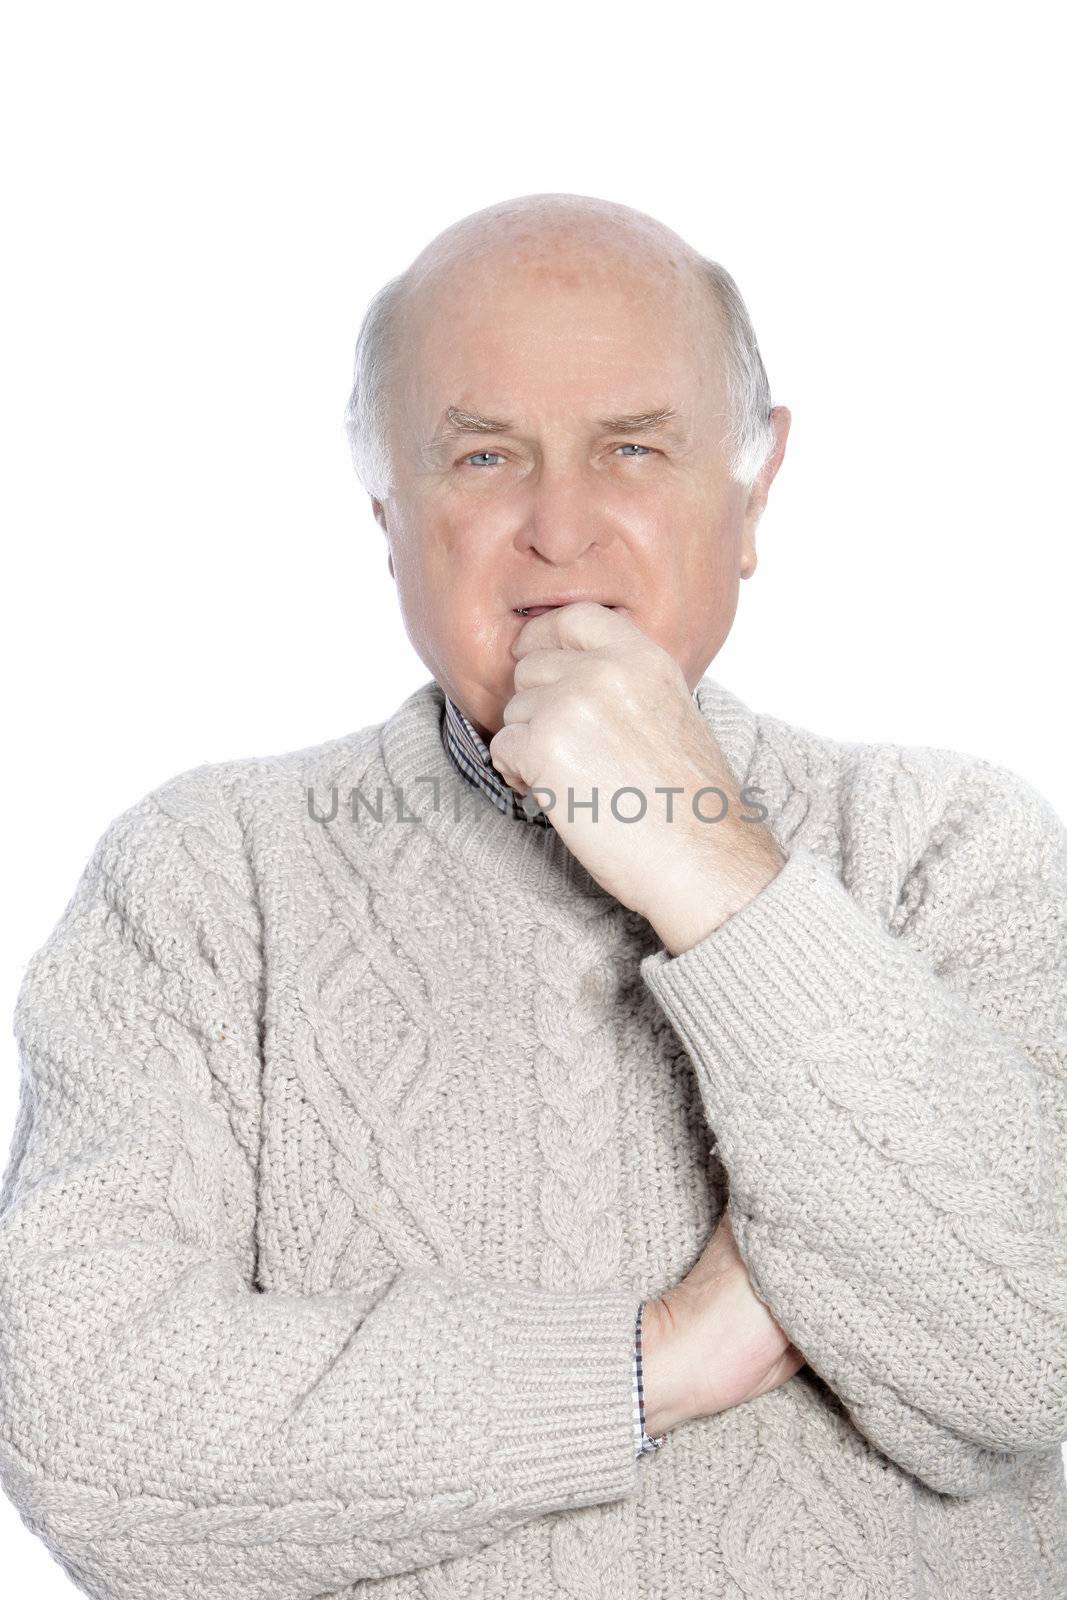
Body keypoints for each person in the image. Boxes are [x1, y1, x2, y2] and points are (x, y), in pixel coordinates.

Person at [1, 191, 1065, 1599]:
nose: (560, 530)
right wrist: (661, 1361)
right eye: (485, 455)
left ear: (752, 495)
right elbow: (87, 1439)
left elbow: (1021, 1355)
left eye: (633, 448)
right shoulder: (202, 879)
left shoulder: (955, 846)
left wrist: (702, 855)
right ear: (389, 511)